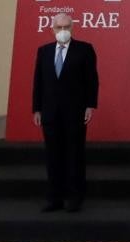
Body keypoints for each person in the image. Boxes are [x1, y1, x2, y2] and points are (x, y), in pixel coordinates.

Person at [32, 13, 99, 213]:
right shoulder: (44, 51)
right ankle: (55, 198)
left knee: (74, 155)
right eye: (59, 27)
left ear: (72, 28)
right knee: (53, 157)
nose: (63, 31)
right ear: (52, 29)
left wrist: (90, 105)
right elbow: (38, 82)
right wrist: (37, 108)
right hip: (50, 113)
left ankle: (75, 198)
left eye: (66, 27)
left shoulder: (85, 50)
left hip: (75, 112)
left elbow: (92, 80)